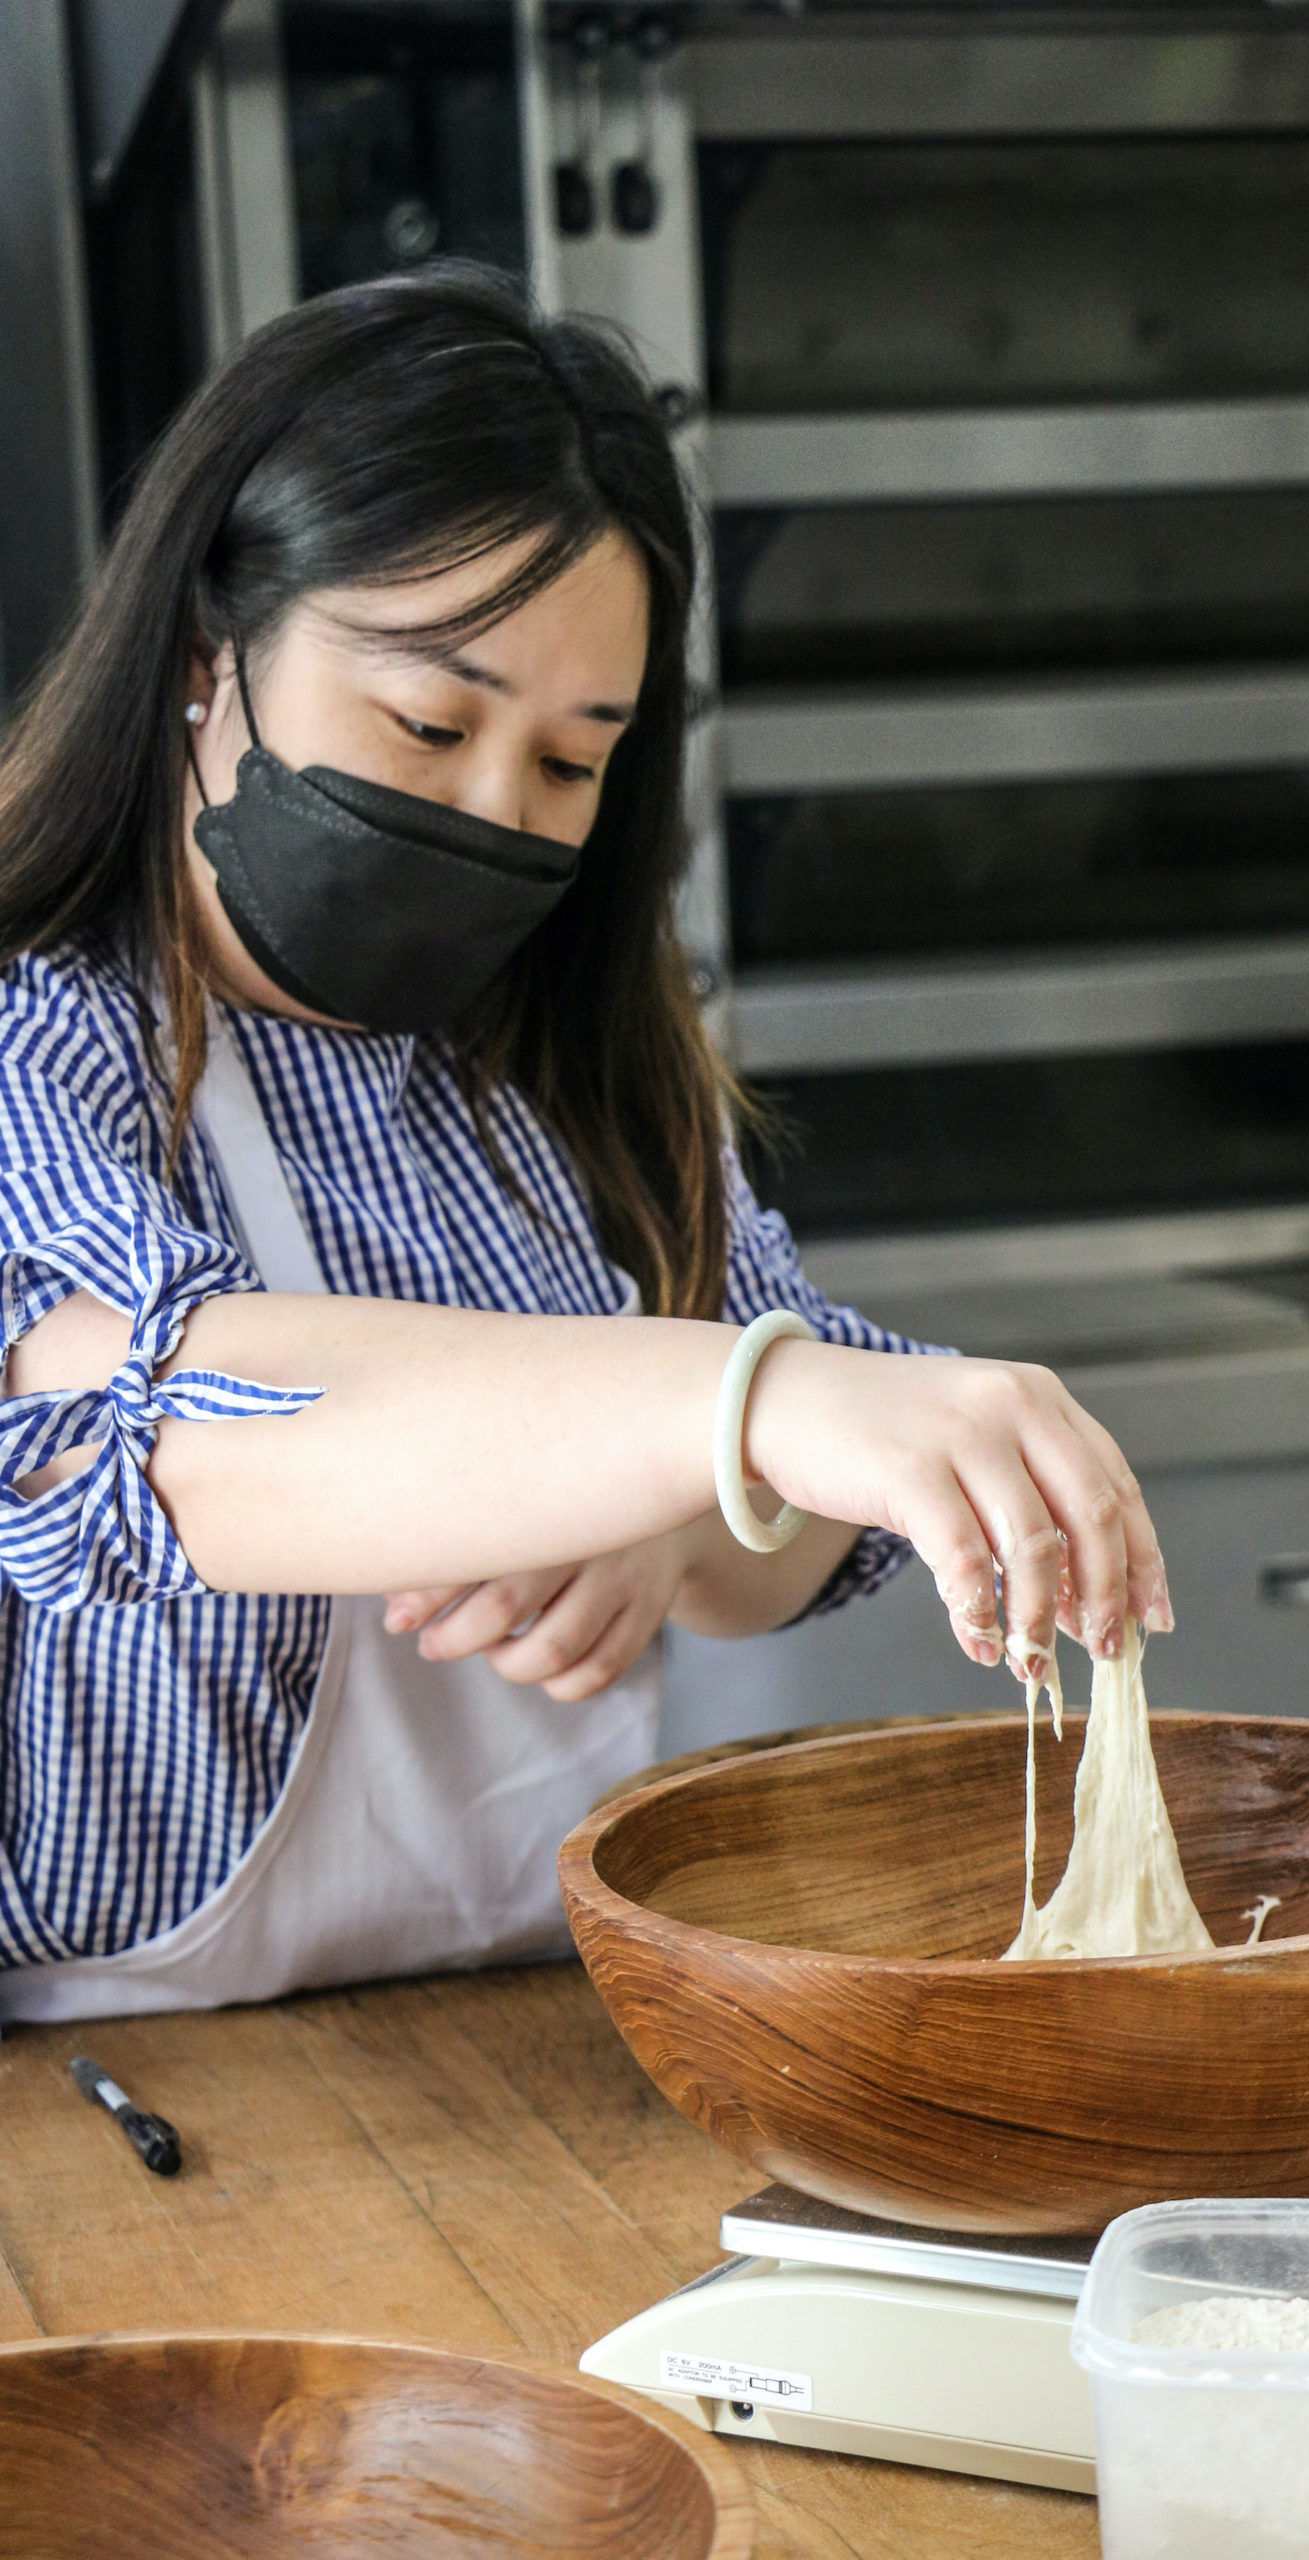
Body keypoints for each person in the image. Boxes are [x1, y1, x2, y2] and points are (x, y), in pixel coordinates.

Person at [0, 265, 1168, 2023]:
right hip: (110, 2091)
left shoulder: (563, 1066)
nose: (492, 812)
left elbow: (790, 1545)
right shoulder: (43, 1037)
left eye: (569, 764)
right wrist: (728, 1410)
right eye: (430, 723)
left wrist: (680, 1521)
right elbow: (165, 1430)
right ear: (203, 659)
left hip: (532, 2047)